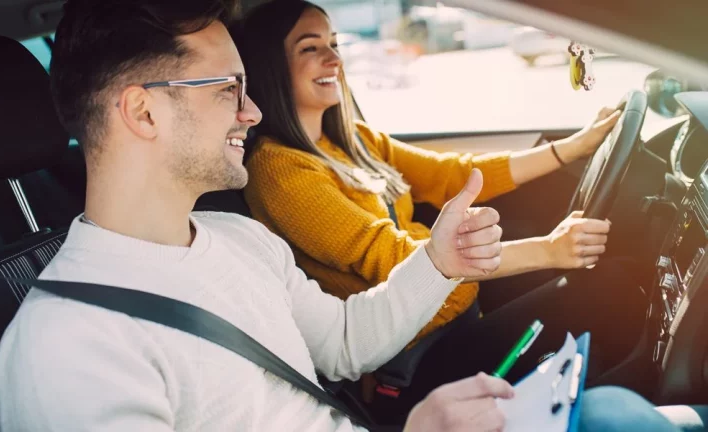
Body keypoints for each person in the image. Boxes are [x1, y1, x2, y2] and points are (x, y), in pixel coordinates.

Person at [0, 0, 707, 431]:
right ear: (142, 111)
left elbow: (343, 345)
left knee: (622, 414)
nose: (253, 110)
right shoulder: (64, 353)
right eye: (227, 89)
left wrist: (438, 263)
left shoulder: (240, 240)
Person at [235, 0, 647, 403]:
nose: (334, 59)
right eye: (311, 48)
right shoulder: (280, 170)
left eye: (335, 44)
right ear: (272, 65)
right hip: (417, 363)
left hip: (461, 316)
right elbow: (396, 256)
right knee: (615, 285)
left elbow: (451, 175)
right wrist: (549, 249)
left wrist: (573, 148)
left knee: (614, 278)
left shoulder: (353, 139)